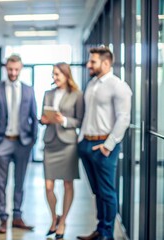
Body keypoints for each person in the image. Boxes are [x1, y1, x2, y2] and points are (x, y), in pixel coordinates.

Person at [77, 47, 132, 240]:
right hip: (87, 144)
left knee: (107, 192)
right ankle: (100, 229)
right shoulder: (92, 84)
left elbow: (123, 119)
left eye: (93, 61)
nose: (88, 64)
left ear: (106, 63)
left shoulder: (118, 86)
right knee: (97, 191)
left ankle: (107, 234)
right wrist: (80, 140)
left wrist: (108, 145)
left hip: (104, 146)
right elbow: (88, 115)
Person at [0, 54, 38, 234]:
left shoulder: (29, 90)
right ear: (6, 68)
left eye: (16, 69)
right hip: (2, 142)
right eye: (10, 69)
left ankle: (17, 216)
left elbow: (34, 117)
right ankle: (3, 218)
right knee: (1, 183)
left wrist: (32, 141)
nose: (13, 72)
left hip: (23, 143)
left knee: (20, 182)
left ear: (21, 69)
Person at [40, 62, 84, 240]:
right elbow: (42, 117)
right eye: (53, 74)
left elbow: (80, 120)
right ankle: (53, 218)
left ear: (67, 75)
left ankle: (63, 221)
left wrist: (63, 120)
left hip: (68, 144)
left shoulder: (77, 95)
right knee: (48, 186)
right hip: (50, 142)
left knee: (67, 184)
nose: (54, 78)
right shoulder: (47, 94)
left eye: (57, 74)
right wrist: (44, 120)